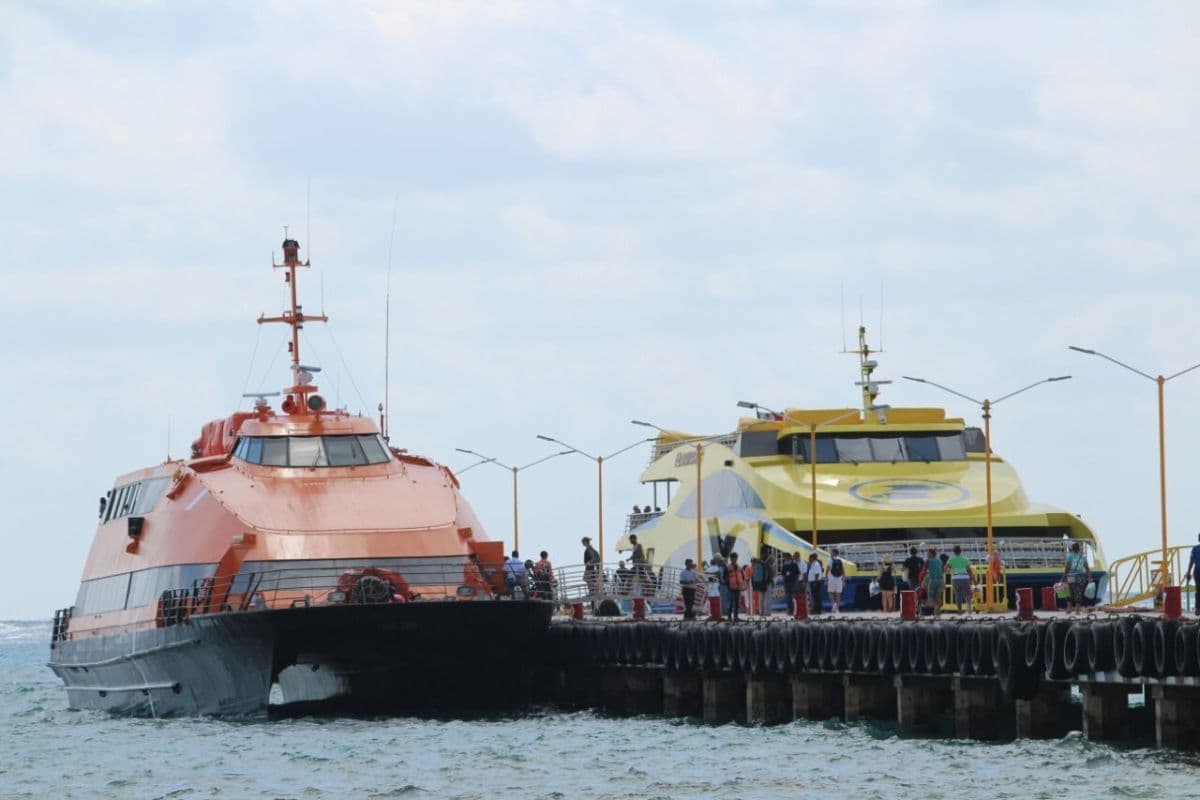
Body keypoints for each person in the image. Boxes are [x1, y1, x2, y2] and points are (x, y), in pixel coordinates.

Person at [1063, 541, 1092, 614]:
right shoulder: (1083, 556)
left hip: (1071, 576)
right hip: (1080, 576)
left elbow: (1067, 568)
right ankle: (1077, 610)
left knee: (1069, 591)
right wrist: (1089, 577)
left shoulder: (1069, 556)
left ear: (1072, 549)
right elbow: (1087, 568)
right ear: (1079, 549)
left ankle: (1069, 608)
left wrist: (1063, 577)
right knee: (1078, 592)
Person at [947, 545, 972, 613]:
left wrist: (949, 570)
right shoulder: (965, 559)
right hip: (965, 578)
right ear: (961, 551)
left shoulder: (951, 559)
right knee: (967, 594)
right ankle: (969, 607)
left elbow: (946, 568)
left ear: (954, 552)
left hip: (955, 578)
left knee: (958, 595)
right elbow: (969, 570)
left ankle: (959, 610)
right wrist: (973, 579)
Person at [922, 547, 945, 615]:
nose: (927, 554)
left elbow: (924, 569)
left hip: (932, 581)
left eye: (928, 553)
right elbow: (942, 571)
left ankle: (935, 609)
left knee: (931, 597)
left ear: (931, 554)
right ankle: (937, 610)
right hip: (940, 580)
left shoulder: (928, 560)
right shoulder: (940, 561)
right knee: (938, 597)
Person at [724, 552, 745, 621]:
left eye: (736, 558)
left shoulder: (739, 567)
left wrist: (742, 584)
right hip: (731, 588)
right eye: (733, 558)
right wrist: (728, 585)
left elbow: (743, 576)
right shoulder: (727, 567)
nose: (735, 559)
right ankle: (729, 617)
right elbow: (725, 577)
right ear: (730, 558)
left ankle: (736, 617)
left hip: (738, 587)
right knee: (731, 603)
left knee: (737, 603)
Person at [750, 551, 772, 616]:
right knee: (767, 598)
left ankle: (761, 612)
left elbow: (752, 575)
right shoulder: (765, 564)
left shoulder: (755, 565)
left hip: (758, 583)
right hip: (766, 583)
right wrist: (769, 581)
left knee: (761, 598)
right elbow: (769, 574)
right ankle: (766, 613)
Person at [827, 548, 846, 612]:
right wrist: (843, 579)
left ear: (834, 553)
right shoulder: (841, 560)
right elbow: (843, 571)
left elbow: (827, 570)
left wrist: (825, 578)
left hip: (832, 578)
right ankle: (837, 607)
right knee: (838, 593)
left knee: (830, 592)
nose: (830, 553)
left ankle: (833, 605)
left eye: (831, 552)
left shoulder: (830, 560)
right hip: (839, 578)